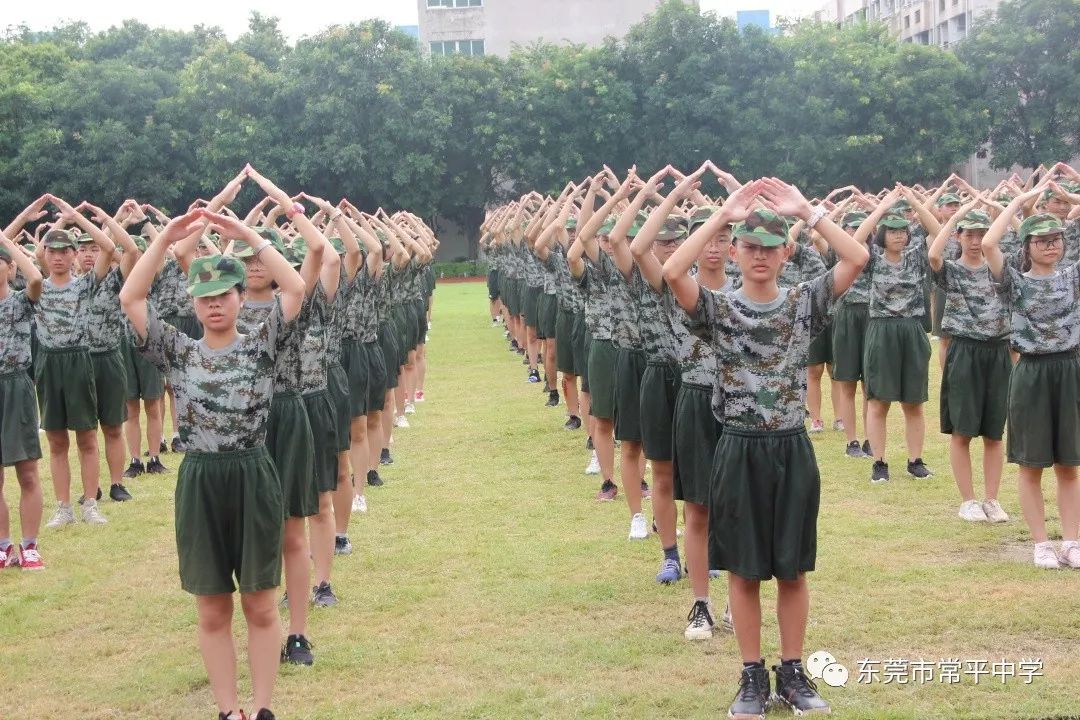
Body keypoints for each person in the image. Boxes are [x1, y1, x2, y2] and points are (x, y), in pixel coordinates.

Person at [665, 177, 869, 719]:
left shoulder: (805, 303)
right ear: (734, 251)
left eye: (770, 247)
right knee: (744, 571)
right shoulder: (719, 309)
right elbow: (669, 272)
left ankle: (793, 673)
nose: (759, 255)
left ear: (787, 252)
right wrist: (722, 215)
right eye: (749, 246)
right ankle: (752, 676)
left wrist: (808, 209)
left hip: (790, 446)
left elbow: (857, 255)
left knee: (793, 569)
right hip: (737, 447)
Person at [121, 203, 305, 720]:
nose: (215, 305)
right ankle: (228, 711)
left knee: (261, 603)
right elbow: (131, 296)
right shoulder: (178, 350)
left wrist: (247, 233)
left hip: (252, 473)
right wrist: (164, 240)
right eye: (204, 298)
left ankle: (263, 708)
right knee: (211, 605)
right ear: (194, 304)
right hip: (200, 477)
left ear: (241, 297)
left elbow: (294, 289)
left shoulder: (262, 345)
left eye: (223, 294)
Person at [982, 186, 1080, 570]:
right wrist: (1019, 201)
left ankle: (1072, 541)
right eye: (1041, 241)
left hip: (1069, 368)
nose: (1050, 246)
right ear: (1027, 246)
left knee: (1070, 465)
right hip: (1032, 371)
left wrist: (1068, 197)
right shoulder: (1015, 283)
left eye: (1055, 239)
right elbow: (990, 243)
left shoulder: (1072, 276)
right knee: (1032, 465)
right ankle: (1041, 544)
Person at [928, 200, 1012, 523]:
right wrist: (955, 218)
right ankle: (968, 500)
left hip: (997, 350)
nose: (976, 241)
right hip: (964, 351)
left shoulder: (1001, 270)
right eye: (970, 234)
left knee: (994, 432)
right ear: (959, 237)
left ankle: (992, 499)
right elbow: (934, 255)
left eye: (982, 234)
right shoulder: (953, 271)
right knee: (962, 430)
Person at [38, 195, 117, 528]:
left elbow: (108, 248)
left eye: (64, 251)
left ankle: (89, 504)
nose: (58, 257)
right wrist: (53, 227)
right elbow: (26, 250)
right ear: (45, 256)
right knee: (57, 440)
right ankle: (63, 507)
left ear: (73, 255)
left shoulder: (85, 285)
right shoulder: (34, 287)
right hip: (48, 362)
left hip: (78, 360)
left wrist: (76, 217)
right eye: (52, 252)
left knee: (86, 436)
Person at [852, 188, 933, 484]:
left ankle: (915, 461)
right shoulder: (873, 259)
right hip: (882, 329)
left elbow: (936, 230)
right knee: (878, 402)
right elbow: (856, 238)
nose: (899, 236)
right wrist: (881, 207)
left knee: (914, 402)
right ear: (883, 234)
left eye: (903, 231)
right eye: (893, 231)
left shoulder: (915, 258)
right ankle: (880, 462)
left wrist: (914, 203)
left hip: (911, 328)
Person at [0, 200, 47, 570]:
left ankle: (29, 545)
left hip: (16, 386)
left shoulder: (19, 302)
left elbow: (36, 279)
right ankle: (3, 546)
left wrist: (8, 239)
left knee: (27, 471)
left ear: (9, 267)